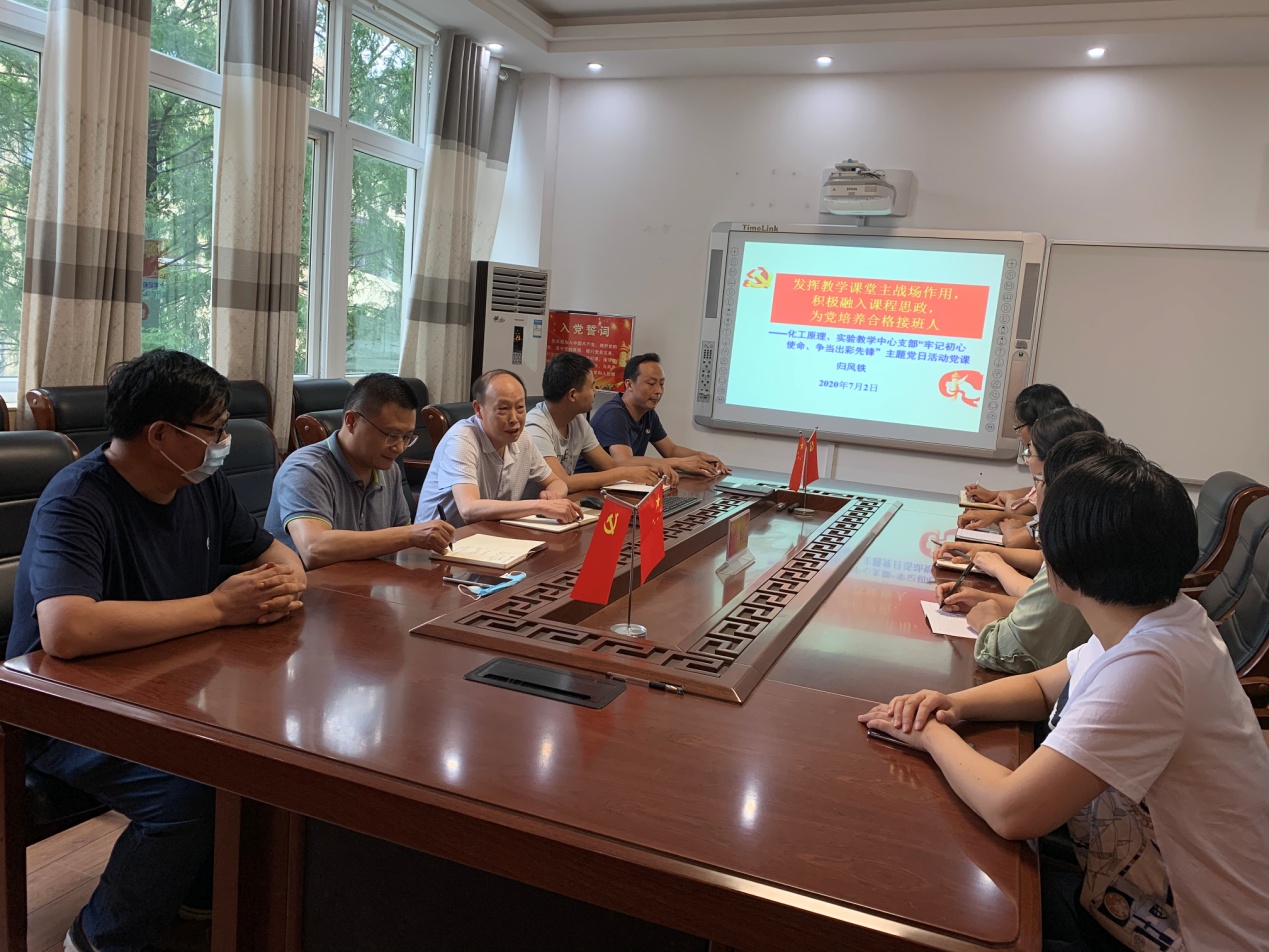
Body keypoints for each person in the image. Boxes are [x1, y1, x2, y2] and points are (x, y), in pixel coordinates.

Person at [862, 453, 1269, 950]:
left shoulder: (1152, 667)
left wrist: (929, 734)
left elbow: (1012, 811)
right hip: (1128, 892)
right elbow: (1043, 687)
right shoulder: (1156, 618)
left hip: (1195, 932)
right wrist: (955, 704)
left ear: (1063, 566)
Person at [5, 350, 307, 952]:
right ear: (161, 434)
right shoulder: (78, 499)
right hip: (62, 708)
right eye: (213, 429)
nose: (223, 444)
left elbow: (278, 555)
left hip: (165, 684)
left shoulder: (201, 486)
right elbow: (67, 631)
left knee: (266, 754)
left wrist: (282, 582)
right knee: (191, 793)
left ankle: (195, 892)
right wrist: (219, 608)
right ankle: (99, 936)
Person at [941, 432, 1139, 673]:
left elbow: (1005, 650)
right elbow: (1052, 616)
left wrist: (987, 620)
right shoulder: (1108, 535)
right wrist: (985, 599)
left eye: (1039, 481)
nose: (1037, 490)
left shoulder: (1075, 551)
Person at [265, 372, 454, 569]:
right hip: (309, 584)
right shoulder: (306, 469)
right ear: (352, 421)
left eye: (407, 437)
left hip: (368, 580)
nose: (399, 448)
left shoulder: (389, 469)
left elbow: (401, 544)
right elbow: (314, 549)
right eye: (391, 435)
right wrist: (411, 535)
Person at [417, 369, 582, 528]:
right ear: (478, 409)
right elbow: (469, 509)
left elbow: (556, 482)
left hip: (488, 534)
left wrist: (553, 495)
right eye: (503, 409)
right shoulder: (462, 439)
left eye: (520, 407)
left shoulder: (523, 438)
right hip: (440, 541)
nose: (514, 419)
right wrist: (540, 506)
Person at [943, 407, 1104, 564]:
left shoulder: (1075, 507)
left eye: (1030, 452)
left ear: (1052, 458)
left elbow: (1016, 541)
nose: (1028, 462)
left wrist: (993, 559)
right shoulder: (1085, 495)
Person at [526, 352, 678, 493]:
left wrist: (648, 469)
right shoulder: (535, 426)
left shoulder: (577, 421)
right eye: (592, 386)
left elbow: (610, 466)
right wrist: (624, 472)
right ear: (573, 395)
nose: (596, 391)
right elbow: (562, 481)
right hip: (533, 510)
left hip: (564, 504)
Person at [579, 353, 730, 477]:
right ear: (629, 385)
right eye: (651, 384)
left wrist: (701, 457)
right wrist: (680, 463)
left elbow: (670, 450)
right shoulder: (613, 414)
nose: (658, 391)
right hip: (592, 491)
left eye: (661, 384)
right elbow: (623, 461)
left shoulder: (648, 413)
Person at [961, 382, 1071, 522]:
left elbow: (1020, 511)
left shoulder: (1055, 463)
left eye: (1019, 426)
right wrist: (995, 494)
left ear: (1038, 424)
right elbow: (1035, 491)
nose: (1018, 433)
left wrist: (1004, 505)